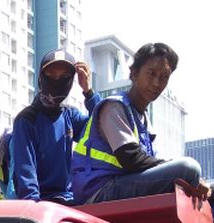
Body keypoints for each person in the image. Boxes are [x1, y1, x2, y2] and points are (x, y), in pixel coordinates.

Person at [70, 42, 206, 204]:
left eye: (164, 77)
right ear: (134, 73)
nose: (156, 83)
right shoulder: (114, 106)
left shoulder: (143, 121)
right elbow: (131, 158)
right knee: (188, 169)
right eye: (151, 73)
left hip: (120, 184)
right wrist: (176, 170)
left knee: (199, 188)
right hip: (98, 190)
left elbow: (147, 164)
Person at [8, 50, 97, 203]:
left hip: (70, 200)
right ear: (41, 78)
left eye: (64, 77)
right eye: (51, 75)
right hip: (43, 204)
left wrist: (89, 92)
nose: (57, 81)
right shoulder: (27, 119)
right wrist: (35, 210)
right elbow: (26, 175)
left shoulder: (70, 115)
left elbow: (101, 129)